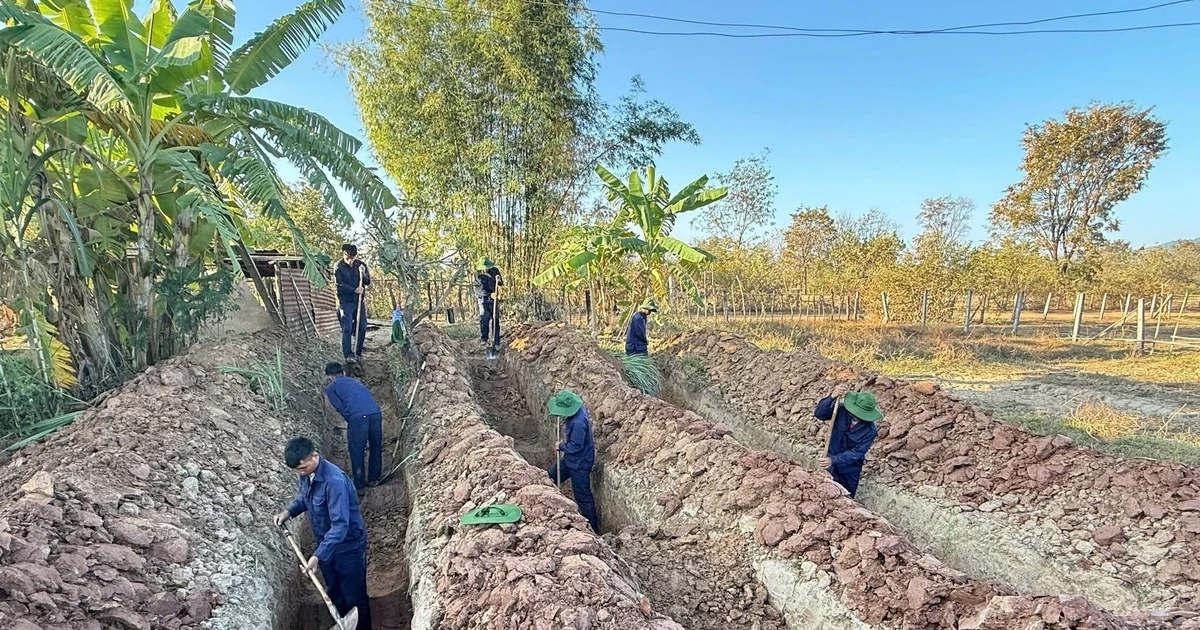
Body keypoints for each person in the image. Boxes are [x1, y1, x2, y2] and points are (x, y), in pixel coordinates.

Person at [274, 437, 372, 630]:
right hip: (326, 544)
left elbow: (340, 526)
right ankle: (342, 622)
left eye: (302, 468)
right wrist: (289, 512)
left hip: (347, 546)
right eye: (297, 470)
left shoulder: (334, 482)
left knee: (353, 595)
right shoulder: (307, 473)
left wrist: (317, 556)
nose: (300, 473)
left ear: (315, 456)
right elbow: (305, 497)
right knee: (334, 590)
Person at [324, 362, 383, 494]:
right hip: (375, 414)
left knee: (357, 450)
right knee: (375, 446)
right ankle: (374, 478)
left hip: (358, 417)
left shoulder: (331, 388)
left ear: (330, 377)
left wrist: (352, 419)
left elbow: (340, 407)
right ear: (343, 372)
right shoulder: (354, 382)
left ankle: (359, 484)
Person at [814, 384, 883, 497]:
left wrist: (834, 460)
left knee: (846, 498)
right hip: (830, 461)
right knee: (825, 494)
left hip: (850, 468)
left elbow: (857, 452)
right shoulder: (841, 410)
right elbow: (819, 414)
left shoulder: (870, 430)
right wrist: (832, 396)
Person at [546, 389, 599, 532]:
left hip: (580, 463)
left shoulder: (577, 423)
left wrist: (561, 446)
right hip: (570, 459)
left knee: (583, 497)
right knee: (549, 478)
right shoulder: (578, 409)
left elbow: (576, 446)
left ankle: (593, 529)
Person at [335, 244, 372, 363]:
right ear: (344, 254)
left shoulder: (361, 265)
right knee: (347, 328)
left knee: (362, 326)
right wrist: (354, 289)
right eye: (348, 257)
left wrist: (363, 273)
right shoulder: (338, 266)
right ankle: (348, 355)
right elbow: (339, 284)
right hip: (346, 301)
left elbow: (367, 282)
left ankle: (358, 352)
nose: (350, 260)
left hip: (359, 300)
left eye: (353, 258)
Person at [475, 256, 504, 348]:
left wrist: (498, 279)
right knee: (484, 318)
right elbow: (477, 289)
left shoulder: (494, 270)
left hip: (493, 299)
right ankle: (484, 339)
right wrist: (486, 295)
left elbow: (500, 283)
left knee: (495, 319)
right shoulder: (478, 274)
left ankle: (496, 341)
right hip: (483, 299)